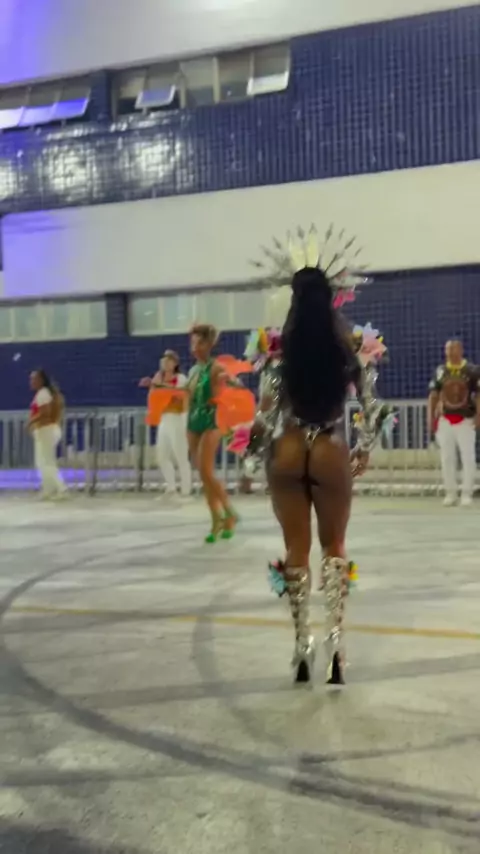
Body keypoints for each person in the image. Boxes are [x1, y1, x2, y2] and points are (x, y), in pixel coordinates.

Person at [245, 227, 387, 686]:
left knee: (295, 549)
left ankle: (300, 643)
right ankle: (336, 646)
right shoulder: (348, 350)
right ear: (331, 298)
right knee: (335, 547)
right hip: (329, 444)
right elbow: (372, 407)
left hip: (287, 448)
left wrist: (251, 459)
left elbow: (265, 415)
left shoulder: (278, 354)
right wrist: (363, 448)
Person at [186, 323, 238, 542]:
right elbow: (188, 395)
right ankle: (216, 519)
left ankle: (229, 511)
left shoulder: (216, 367)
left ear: (209, 344)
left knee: (207, 471)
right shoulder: (193, 371)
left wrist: (230, 382)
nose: (195, 348)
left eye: (200, 343)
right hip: (194, 421)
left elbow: (230, 382)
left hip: (212, 421)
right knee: (202, 474)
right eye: (193, 343)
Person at [428, 339, 480, 507]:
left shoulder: (472, 371)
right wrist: (431, 418)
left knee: (468, 458)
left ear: (461, 350)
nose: (450, 352)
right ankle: (450, 493)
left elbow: (478, 395)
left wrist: (479, 416)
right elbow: (433, 395)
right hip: (445, 421)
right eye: (448, 350)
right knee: (447, 458)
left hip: (466, 420)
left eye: (453, 349)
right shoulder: (441, 371)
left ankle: (466, 494)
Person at [139, 350, 191, 500]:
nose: (165, 364)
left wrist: (159, 386)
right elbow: (155, 396)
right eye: (163, 361)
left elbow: (181, 393)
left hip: (177, 418)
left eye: (169, 361)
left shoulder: (180, 378)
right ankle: (171, 488)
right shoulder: (158, 378)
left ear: (175, 364)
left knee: (180, 456)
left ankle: (186, 491)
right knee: (162, 456)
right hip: (164, 419)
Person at [28, 369, 67, 500]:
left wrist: (30, 422)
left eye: (34, 379)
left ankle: (61, 489)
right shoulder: (45, 393)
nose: (31, 382)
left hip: (46, 430)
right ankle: (48, 490)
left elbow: (45, 412)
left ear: (41, 380)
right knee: (43, 462)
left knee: (46, 463)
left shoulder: (43, 394)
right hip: (47, 430)